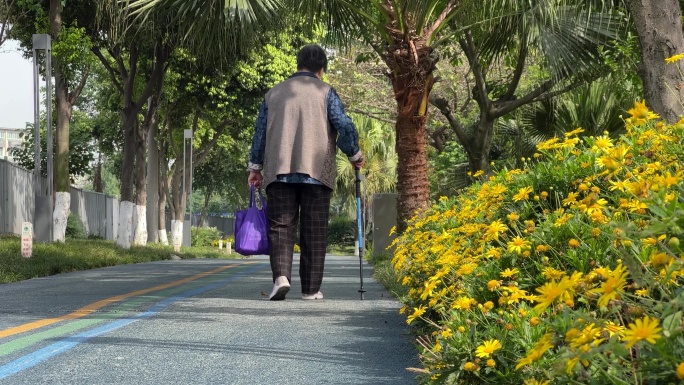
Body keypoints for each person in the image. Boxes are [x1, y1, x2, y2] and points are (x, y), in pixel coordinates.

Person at [247, 44, 365, 301]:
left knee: (280, 226)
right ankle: (311, 290)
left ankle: (281, 278)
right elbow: (343, 125)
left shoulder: (273, 94)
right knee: (314, 229)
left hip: (279, 171)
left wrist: (255, 167)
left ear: (298, 63)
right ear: (322, 68)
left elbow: (259, 134)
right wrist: (354, 154)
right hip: (316, 173)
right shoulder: (326, 92)